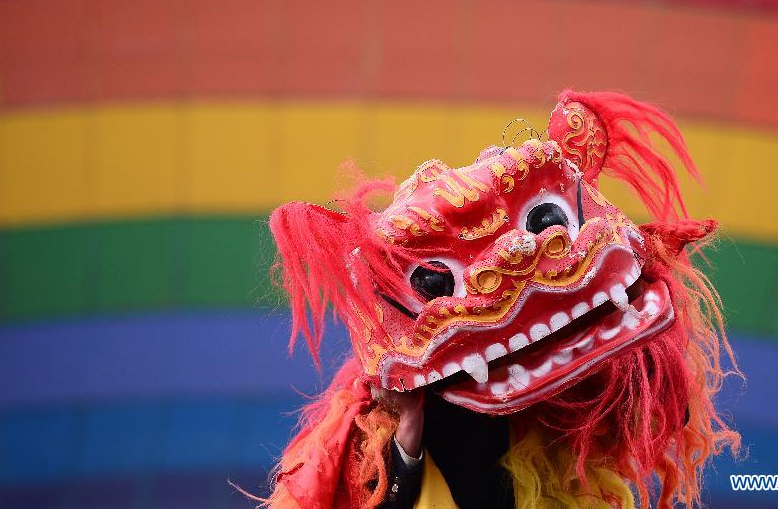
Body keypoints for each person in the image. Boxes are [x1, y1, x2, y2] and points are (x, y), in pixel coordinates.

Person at [264, 90, 740, 509]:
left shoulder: (572, 350)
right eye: (436, 283)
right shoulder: (386, 422)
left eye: (547, 221)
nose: (511, 261)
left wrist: (644, 326)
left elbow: (663, 416)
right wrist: (406, 433)